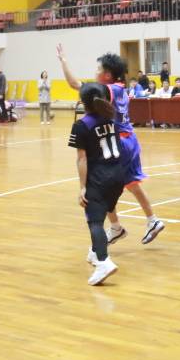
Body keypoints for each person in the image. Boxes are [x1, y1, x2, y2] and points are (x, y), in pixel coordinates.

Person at [57, 44, 165, 246]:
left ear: (107, 75)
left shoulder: (107, 89)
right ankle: (153, 220)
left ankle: (116, 228)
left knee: (102, 186)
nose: (95, 72)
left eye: (98, 69)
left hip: (118, 143)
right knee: (132, 183)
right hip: (130, 140)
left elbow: (74, 84)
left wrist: (63, 61)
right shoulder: (121, 88)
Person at [71, 83, 125, 285]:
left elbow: (82, 159)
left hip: (99, 178)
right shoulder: (111, 117)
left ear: (82, 101)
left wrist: (83, 187)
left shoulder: (81, 125)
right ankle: (96, 252)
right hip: (118, 176)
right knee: (104, 212)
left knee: (95, 222)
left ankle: (103, 262)